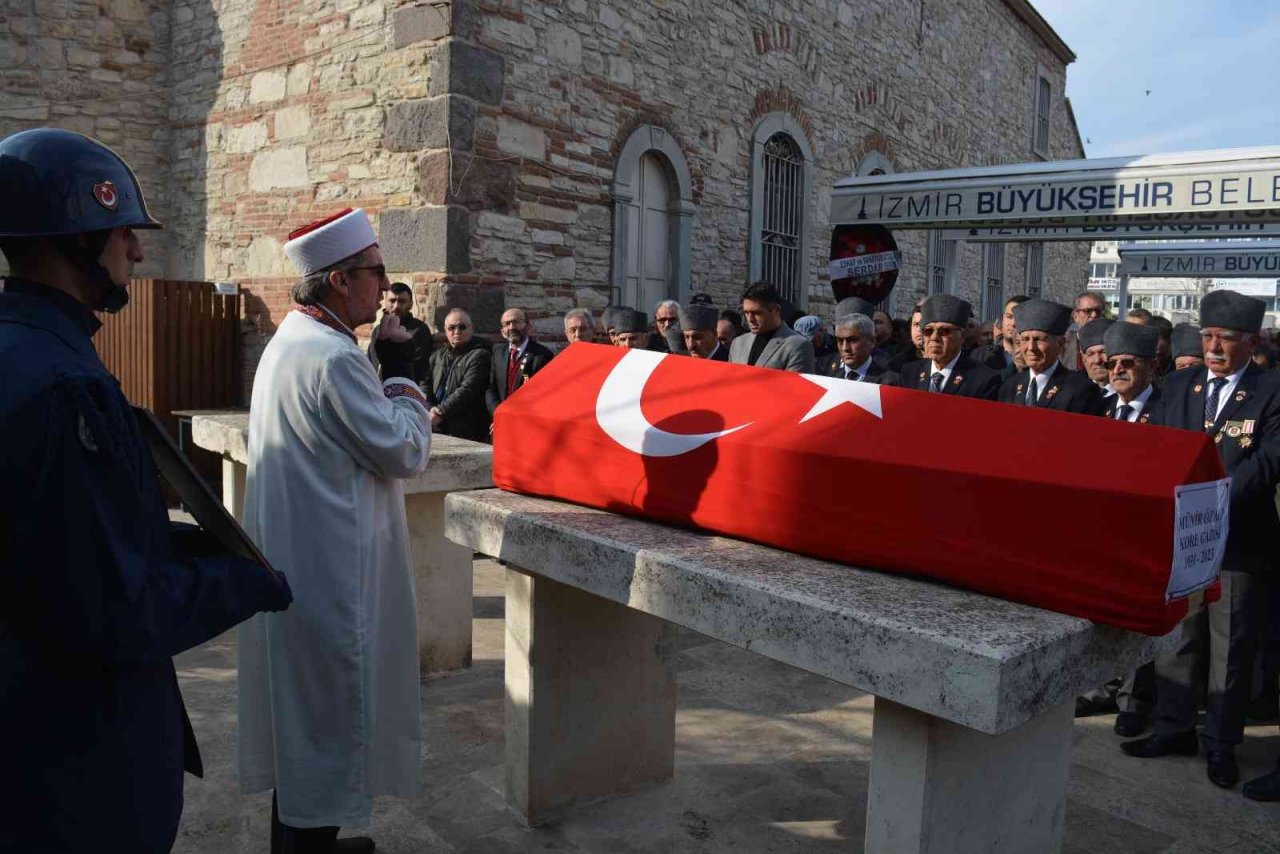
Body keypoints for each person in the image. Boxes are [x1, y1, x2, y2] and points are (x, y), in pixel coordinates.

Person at [0, 127, 293, 854]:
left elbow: (56, 534)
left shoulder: (27, 354)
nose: (135, 249)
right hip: (70, 768)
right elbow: (114, 610)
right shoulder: (65, 388)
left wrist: (186, 542)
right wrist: (245, 582)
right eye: (122, 230)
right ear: (74, 242)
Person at [238, 207, 432, 853]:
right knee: (326, 717)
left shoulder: (294, 342)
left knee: (304, 719)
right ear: (342, 279)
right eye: (378, 272)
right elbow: (403, 451)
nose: (385, 287)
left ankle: (304, 839)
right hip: (331, 574)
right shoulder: (332, 357)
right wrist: (403, 370)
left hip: (304, 560)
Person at [1122, 289, 1280, 794]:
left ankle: (1220, 743)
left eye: (1226, 340)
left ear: (1251, 342)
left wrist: (1211, 504)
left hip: (1238, 541)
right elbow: (1161, 451)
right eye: (1208, 336)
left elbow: (1266, 465)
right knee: (1179, 638)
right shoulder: (1182, 385)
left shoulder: (1271, 390)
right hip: (1184, 539)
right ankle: (1173, 728)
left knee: (1230, 648)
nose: (1214, 348)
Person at [999, 299, 1105, 415]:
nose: (1030, 348)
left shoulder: (1081, 390)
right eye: (1025, 339)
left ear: (1060, 343)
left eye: (1039, 339)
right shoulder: (1010, 387)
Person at [892, 294, 1001, 400]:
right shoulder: (910, 373)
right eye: (928, 331)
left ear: (962, 336)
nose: (934, 338)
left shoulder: (983, 380)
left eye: (944, 331)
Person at [428, 308, 493, 442]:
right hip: (436, 425)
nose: (457, 331)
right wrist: (429, 409)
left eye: (462, 327)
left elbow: (468, 389)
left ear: (471, 329)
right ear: (445, 330)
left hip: (464, 429)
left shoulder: (480, 355)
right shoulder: (438, 356)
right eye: (451, 327)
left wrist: (440, 412)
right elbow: (425, 383)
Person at [728, 282, 815, 372]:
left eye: (757, 313)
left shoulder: (798, 345)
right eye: (746, 312)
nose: (750, 319)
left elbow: (795, 385)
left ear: (776, 310)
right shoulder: (737, 343)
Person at [486, 308, 554, 415]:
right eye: (507, 324)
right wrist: (498, 413)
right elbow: (490, 387)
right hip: (501, 418)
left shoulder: (543, 355)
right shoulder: (497, 352)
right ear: (502, 331)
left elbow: (542, 393)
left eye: (516, 322)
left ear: (528, 326)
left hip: (527, 419)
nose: (512, 327)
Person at [367, 282, 432, 387]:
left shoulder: (419, 330)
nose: (396, 306)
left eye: (402, 301)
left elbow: (422, 371)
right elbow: (370, 363)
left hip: (405, 391)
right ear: (386, 303)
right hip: (376, 391)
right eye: (392, 301)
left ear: (411, 304)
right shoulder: (378, 330)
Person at [828, 313, 897, 384]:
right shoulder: (827, 376)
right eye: (840, 341)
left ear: (872, 341)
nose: (845, 348)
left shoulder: (890, 381)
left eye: (852, 340)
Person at [979, 294, 1029, 376]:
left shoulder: (1035, 357)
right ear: (1003, 318)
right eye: (1009, 317)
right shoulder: (981, 355)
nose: (1013, 323)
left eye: (1019, 318)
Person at [1061, 290, 1108, 370]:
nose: (1094, 315)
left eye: (1098, 311)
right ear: (1075, 316)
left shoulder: (1110, 343)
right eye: (1087, 311)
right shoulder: (1062, 344)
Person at [1078, 317, 1115, 391]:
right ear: (1083, 359)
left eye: (1103, 352)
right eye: (1091, 354)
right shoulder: (1075, 393)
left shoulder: (1127, 396)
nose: (1097, 360)